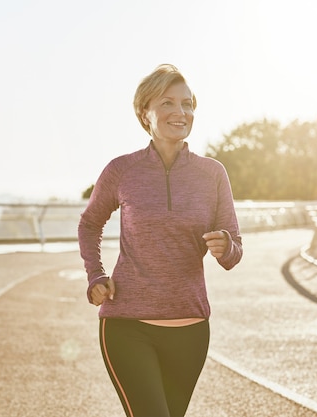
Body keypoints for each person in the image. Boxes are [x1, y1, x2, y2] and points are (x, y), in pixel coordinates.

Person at [78, 64, 243, 417]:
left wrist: (225, 245)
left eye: (187, 104)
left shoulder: (213, 174)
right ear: (145, 113)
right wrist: (96, 274)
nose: (180, 112)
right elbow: (91, 222)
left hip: (191, 327)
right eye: (167, 103)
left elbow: (233, 252)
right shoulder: (122, 170)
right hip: (127, 325)